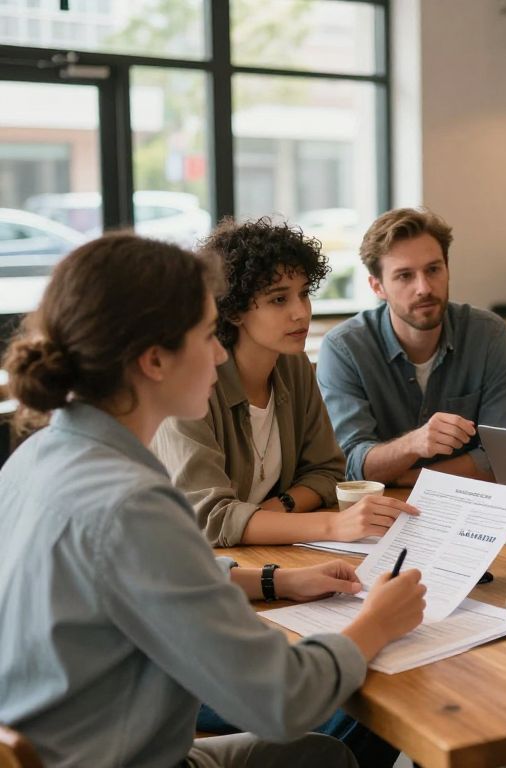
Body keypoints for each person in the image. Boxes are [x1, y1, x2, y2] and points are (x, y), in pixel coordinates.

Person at [0, 233, 426, 768]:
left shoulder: (34, 457)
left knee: (321, 754)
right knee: (337, 726)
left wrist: (275, 578)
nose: (221, 351)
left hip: (64, 746)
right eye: (208, 335)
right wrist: (378, 622)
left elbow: (128, 576)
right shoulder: (132, 503)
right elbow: (282, 699)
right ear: (155, 361)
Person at [153, 217, 417, 547]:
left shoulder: (293, 365)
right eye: (279, 299)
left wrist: (279, 509)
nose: (301, 313)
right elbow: (211, 519)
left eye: (304, 294)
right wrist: (333, 526)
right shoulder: (190, 386)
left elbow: (327, 472)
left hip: (268, 553)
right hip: (193, 564)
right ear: (234, 311)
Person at [316, 207, 506, 485]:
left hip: (471, 507)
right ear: (377, 287)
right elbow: (352, 465)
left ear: (447, 269)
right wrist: (413, 444)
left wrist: (407, 477)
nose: (424, 288)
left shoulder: (488, 334)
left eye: (433, 270)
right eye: (405, 276)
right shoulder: (344, 348)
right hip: (382, 511)